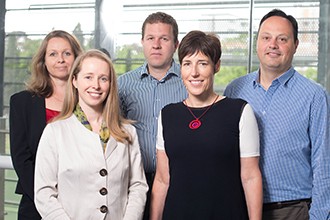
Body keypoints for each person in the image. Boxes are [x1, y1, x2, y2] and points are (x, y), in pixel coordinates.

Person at [224, 9, 330, 220]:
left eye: (282, 39)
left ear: (296, 45)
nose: (273, 45)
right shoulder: (234, 90)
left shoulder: (315, 96)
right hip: (240, 207)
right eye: (266, 38)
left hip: (293, 211)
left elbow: (324, 163)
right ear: (257, 42)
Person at [150, 30, 263, 220]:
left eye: (202, 63)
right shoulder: (168, 115)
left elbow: (251, 177)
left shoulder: (240, 112)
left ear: (216, 66)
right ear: (181, 69)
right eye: (187, 64)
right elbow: (162, 179)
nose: (194, 72)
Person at [34, 49, 148, 219]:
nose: (96, 85)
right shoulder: (55, 132)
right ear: (74, 81)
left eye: (103, 79)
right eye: (88, 77)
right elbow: (44, 193)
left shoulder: (127, 132)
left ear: (110, 84)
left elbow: (137, 186)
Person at [118, 11, 188, 220]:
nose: (156, 45)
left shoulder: (190, 81)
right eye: (150, 38)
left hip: (179, 183)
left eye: (164, 39)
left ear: (176, 44)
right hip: (133, 183)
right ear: (142, 42)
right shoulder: (123, 84)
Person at [9, 30, 83, 220]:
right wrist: (47, 199)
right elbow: (21, 157)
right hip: (36, 203)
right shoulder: (22, 102)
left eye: (67, 53)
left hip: (81, 202)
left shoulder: (89, 101)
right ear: (43, 60)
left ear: (76, 58)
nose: (61, 59)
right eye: (53, 54)